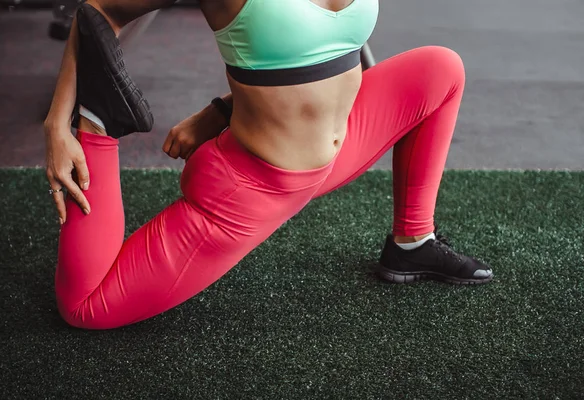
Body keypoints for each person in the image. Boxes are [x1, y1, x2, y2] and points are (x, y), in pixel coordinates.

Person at [44, 0, 493, 330]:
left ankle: (412, 241)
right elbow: (100, 12)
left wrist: (219, 110)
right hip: (253, 189)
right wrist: (57, 126)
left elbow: (314, 54)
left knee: (442, 69)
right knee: (85, 307)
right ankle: (98, 123)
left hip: (339, 146)